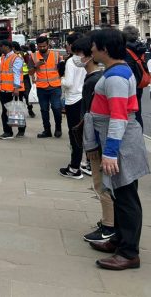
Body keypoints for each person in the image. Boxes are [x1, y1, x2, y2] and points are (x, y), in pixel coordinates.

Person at [85, 29, 149, 270]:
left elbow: (119, 117)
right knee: (120, 194)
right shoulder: (116, 72)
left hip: (121, 143)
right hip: (117, 140)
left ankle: (129, 252)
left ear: (104, 49)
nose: (91, 50)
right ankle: (120, 240)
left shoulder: (116, 78)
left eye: (94, 46)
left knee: (126, 198)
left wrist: (111, 152)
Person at [72, 34, 113, 244]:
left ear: (89, 55)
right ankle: (109, 222)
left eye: (78, 54)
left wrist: (91, 146)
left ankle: (108, 227)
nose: (76, 58)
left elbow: (91, 117)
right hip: (99, 140)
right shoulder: (98, 77)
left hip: (98, 141)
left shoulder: (94, 81)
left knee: (101, 185)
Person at [59, 32, 87, 178]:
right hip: (84, 99)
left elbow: (68, 83)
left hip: (73, 100)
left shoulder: (71, 61)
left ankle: (75, 167)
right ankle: (86, 163)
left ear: (71, 45)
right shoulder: (87, 59)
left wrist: (61, 79)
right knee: (83, 133)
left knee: (74, 133)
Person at [30, 35, 63, 138]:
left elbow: (62, 70)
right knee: (44, 110)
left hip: (55, 87)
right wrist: (36, 66)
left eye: (44, 46)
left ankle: (58, 128)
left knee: (56, 108)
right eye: (40, 46)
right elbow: (30, 72)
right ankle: (47, 130)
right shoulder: (33, 56)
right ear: (37, 46)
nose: (42, 48)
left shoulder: (56, 55)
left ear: (48, 45)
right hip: (41, 87)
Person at [0, 40, 25, 140]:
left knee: (16, 110)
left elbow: (16, 73)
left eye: (1, 46)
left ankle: (20, 130)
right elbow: (1, 72)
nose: (0, 48)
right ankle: (8, 131)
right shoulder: (4, 57)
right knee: (5, 111)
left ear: (7, 47)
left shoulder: (16, 58)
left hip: (13, 90)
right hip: (4, 89)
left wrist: (16, 88)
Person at [122, 25, 147, 129]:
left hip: (130, 84)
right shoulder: (140, 47)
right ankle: (140, 134)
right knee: (138, 111)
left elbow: (127, 69)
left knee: (130, 113)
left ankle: (134, 134)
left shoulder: (125, 50)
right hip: (139, 83)